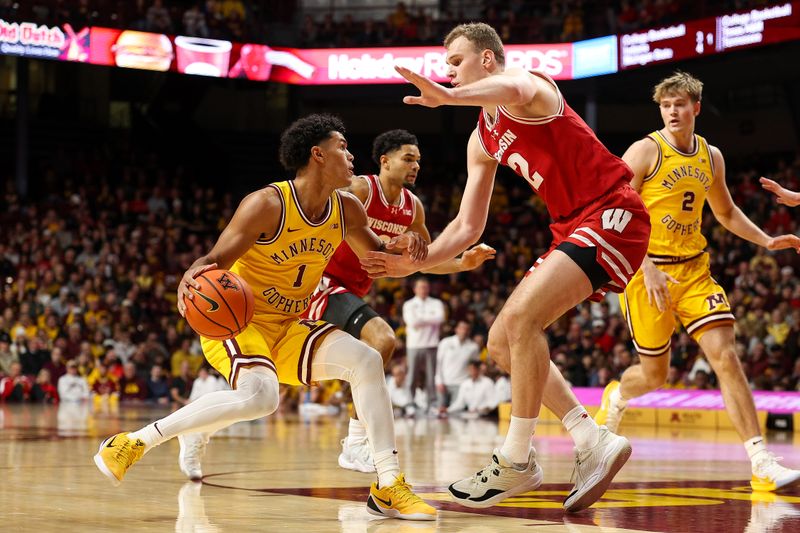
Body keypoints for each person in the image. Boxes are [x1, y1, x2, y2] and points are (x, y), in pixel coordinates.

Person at [361, 22, 651, 512]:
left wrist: (447, 98)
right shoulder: (483, 139)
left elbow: (513, 86)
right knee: (501, 344)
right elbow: (466, 227)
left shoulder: (529, 88)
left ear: (488, 59)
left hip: (611, 211)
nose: (448, 71)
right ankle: (590, 439)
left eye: (457, 61)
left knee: (521, 321)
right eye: (447, 65)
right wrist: (412, 264)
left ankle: (516, 459)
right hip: (573, 226)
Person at [93, 114, 437, 521]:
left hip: (292, 323)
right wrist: (190, 278)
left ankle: (388, 485)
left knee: (367, 359)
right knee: (262, 396)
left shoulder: (347, 207)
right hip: (242, 321)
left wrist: (412, 244)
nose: (351, 155)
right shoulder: (267, 204)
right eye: (342, 147)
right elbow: (214, 261)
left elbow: (379, 259)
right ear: (318, 155)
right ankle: (133, 442)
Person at [593, 71, 800, 492]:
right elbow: (611, 212)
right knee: (654, 377)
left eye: (680, 103)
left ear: (696, 108)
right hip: (647, 272)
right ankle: (616, 396)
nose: (672, 111)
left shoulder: (712, 156)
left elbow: (724, 212)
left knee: (726, 355)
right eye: (666, 104)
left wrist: (765, 238)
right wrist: (643, 263)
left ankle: (760, 461)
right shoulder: (645, 151)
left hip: (694, 270)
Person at [303, 129, 494, 474]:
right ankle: (356, 441)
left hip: (352, 291)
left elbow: (425, 259)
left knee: (275, 382)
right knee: (383, 339)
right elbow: (322, 213)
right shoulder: (360, 189)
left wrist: (461, 263)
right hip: (322, 284)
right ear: (385, 161)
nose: (416, 165)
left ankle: (200, 430)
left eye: (418, 160)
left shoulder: (413, 207)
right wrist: (392, 245)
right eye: (408, 158)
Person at [402, 276, 445, 413]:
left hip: (431, 344)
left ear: (429, 289)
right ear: (415, 289)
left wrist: (421, 320)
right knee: (412, 376)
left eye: (426, 287)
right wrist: (430, 320)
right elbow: (412, 322)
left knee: (431, 375)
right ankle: (410, 403)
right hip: (414, 345)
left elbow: (440, 318)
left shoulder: (436, 303)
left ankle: (432, 403)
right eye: (421, 287)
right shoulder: (408, 304)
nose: (423, 290)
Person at [435, 319, 479, 412]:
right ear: (456, 329)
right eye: (462, 328)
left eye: (466, 329)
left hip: (461, 384)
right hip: (444, 383)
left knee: (455, 412)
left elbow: (474, 366)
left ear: (469, 331)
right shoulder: (445, 342)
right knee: (440, 412)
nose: (464, 331)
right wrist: (439, 381)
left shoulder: (473, 347)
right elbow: (438, 363)